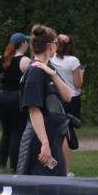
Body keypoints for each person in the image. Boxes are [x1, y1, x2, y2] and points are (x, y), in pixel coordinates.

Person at [16, 25, 73, 177]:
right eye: (56, 42)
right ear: (50, 46)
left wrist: (53, 74)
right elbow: (34, 110)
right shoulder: (35, 71)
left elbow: (68, 96)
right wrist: (44, 144)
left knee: (58, 178)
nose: (57, 46)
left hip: (53, 137)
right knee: (39, 187)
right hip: (40, 141)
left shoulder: (48, 69)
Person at [0, 33, 32, 172]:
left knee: (6, 132)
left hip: (2, 98)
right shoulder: (25, 61)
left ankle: (2, 164)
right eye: (27, 41)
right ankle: (14, 167)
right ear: (23, 44)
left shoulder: (2, 59)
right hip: (17, 98)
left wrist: (0, 89)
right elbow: (31, 80)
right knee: (17, 132)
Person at [49, 34, 85, 175]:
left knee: (53, 134)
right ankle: (66, 170)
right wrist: (81, 72)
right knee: (65, 134)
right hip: (71, 98)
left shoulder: (50, 59)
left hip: (55, 98)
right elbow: (78, 83)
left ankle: (52, 166)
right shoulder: (73, 61)